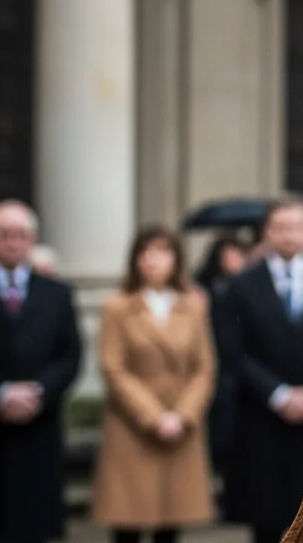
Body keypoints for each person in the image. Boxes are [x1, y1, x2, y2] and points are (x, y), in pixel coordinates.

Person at [220, 194, 303, 543]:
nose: (288, 235)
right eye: (280, 227)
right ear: (266, 231)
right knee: (265, 520)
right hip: (262, 417)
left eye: (296, 227)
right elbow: (233, 351)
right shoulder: (240, 286)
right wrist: (278, 395)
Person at [92, 226, 216, 542]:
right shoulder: (118, 306)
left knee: (171, 519)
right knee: (128, 518)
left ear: (176, 259)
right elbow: (113, 367)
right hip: (132, 425)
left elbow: (204, 367)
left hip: (180, 422)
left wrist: (183, 415)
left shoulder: (192, 306)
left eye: (161, 251)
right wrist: (154, 416)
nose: (152, 260)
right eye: (145, 252)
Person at [0, 200, 83, 543]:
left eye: (20, 235)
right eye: (4, 234)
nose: (12, 242)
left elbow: (71, 354)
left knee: (31, 527)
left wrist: (40, 391)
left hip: (37, 428)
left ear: (32, 240)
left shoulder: (57, 294)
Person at [193, 234, 249, 474]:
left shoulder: (249, 286)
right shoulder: (207, 288)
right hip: (215, 357)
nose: (232, 261)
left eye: (237, 255)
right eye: (227, 256)